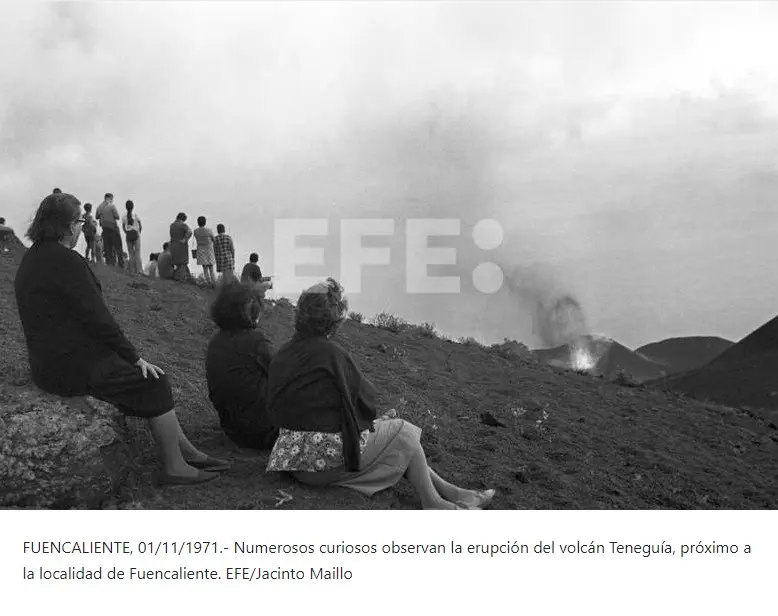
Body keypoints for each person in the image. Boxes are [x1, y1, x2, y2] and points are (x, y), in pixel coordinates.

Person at [14, 192, 230, 484]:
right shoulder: (66, 261)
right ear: (67, 226)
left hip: (49, 363)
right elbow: (98, 317)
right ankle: (174, 467)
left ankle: (189, 452)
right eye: (79, 221)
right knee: (154, 381)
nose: (82, 227)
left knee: (144, 374)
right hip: (70, 368)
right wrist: (134, 357)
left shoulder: (33, 258)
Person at [265, 278, 496, 509]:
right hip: (322, 464)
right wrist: (375, 421)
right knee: (404, 431)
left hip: (292, 461)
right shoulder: (332, 355)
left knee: (396, 438)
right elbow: (364, 401)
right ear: (333, 319)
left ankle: (455, 493)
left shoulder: (283, 354)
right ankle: (436, 504)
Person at [206, 284, 279, 450]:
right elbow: (285, 375)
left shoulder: (216, 341)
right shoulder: (256, 342)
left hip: (233, 431)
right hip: (265, 432)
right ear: (251, 311)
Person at [95, 193, 124, 267]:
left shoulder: (99, 207)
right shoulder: (112, 206)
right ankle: (121, 264)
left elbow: (96, 217)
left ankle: (109, 264)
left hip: (104, 229)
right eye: (112, 199)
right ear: (110, 198)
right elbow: (117, 217)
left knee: (108, 247)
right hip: (113, 227)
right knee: (118, 246)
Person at [169, 212, 192, 282]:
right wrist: (185, 239)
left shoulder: (172, 225)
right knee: (182, 263)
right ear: (183, 219)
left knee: (177, 263)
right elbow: (190, 232)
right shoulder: (183, 225)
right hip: (181, 246)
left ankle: (187, 277)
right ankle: (181, 279)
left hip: (172, 246)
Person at [193, 216, 216, 286]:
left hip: (200, 249)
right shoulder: (209, 230)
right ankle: (214, 283)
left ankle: (208, 283)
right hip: (209, 249)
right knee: (211, 268)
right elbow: (213, 239)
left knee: (205, 268)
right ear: (205, 222)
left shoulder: (196, 231)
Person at [122, 200, 143, 274]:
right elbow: (140, 225)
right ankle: (139, 270)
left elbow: (123, 227)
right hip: (136, 235)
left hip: (128, 236)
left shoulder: (124, 216)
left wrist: (126, 233)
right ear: (133, 206)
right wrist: (138, 232)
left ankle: (132, 270)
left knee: (131, 254)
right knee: (137, 253)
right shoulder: (135, 215)